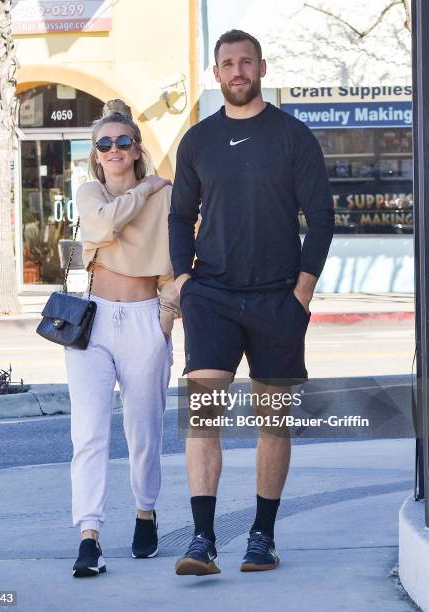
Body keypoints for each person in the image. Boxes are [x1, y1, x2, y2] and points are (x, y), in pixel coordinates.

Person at [169, 30, 334, 575]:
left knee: (272, 421)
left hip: (276, 298)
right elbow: (178, 215)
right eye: (227, 64)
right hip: (211, 294)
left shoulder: (294, 136)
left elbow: (322, 217)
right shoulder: (197, 141)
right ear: (216, 74)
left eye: (245, 62)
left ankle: (261, 537)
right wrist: (184, 282)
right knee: (203, 417)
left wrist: (301, 293)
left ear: (262, 67)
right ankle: (201, 540)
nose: (237, 71)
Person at [66, 99, 180, 577]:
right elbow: (101, 224)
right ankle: (89, 535)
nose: (113, 150)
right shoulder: (89, 191)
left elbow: (178, 261)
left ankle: (145, 511)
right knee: (88, 434)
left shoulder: (166, 198)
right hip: (91, 323)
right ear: (96, 154)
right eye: (104, 144)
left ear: (136, 148)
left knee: (144, 430)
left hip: (143, 319)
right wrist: (147, 187)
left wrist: (165, 320)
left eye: (122, 142)